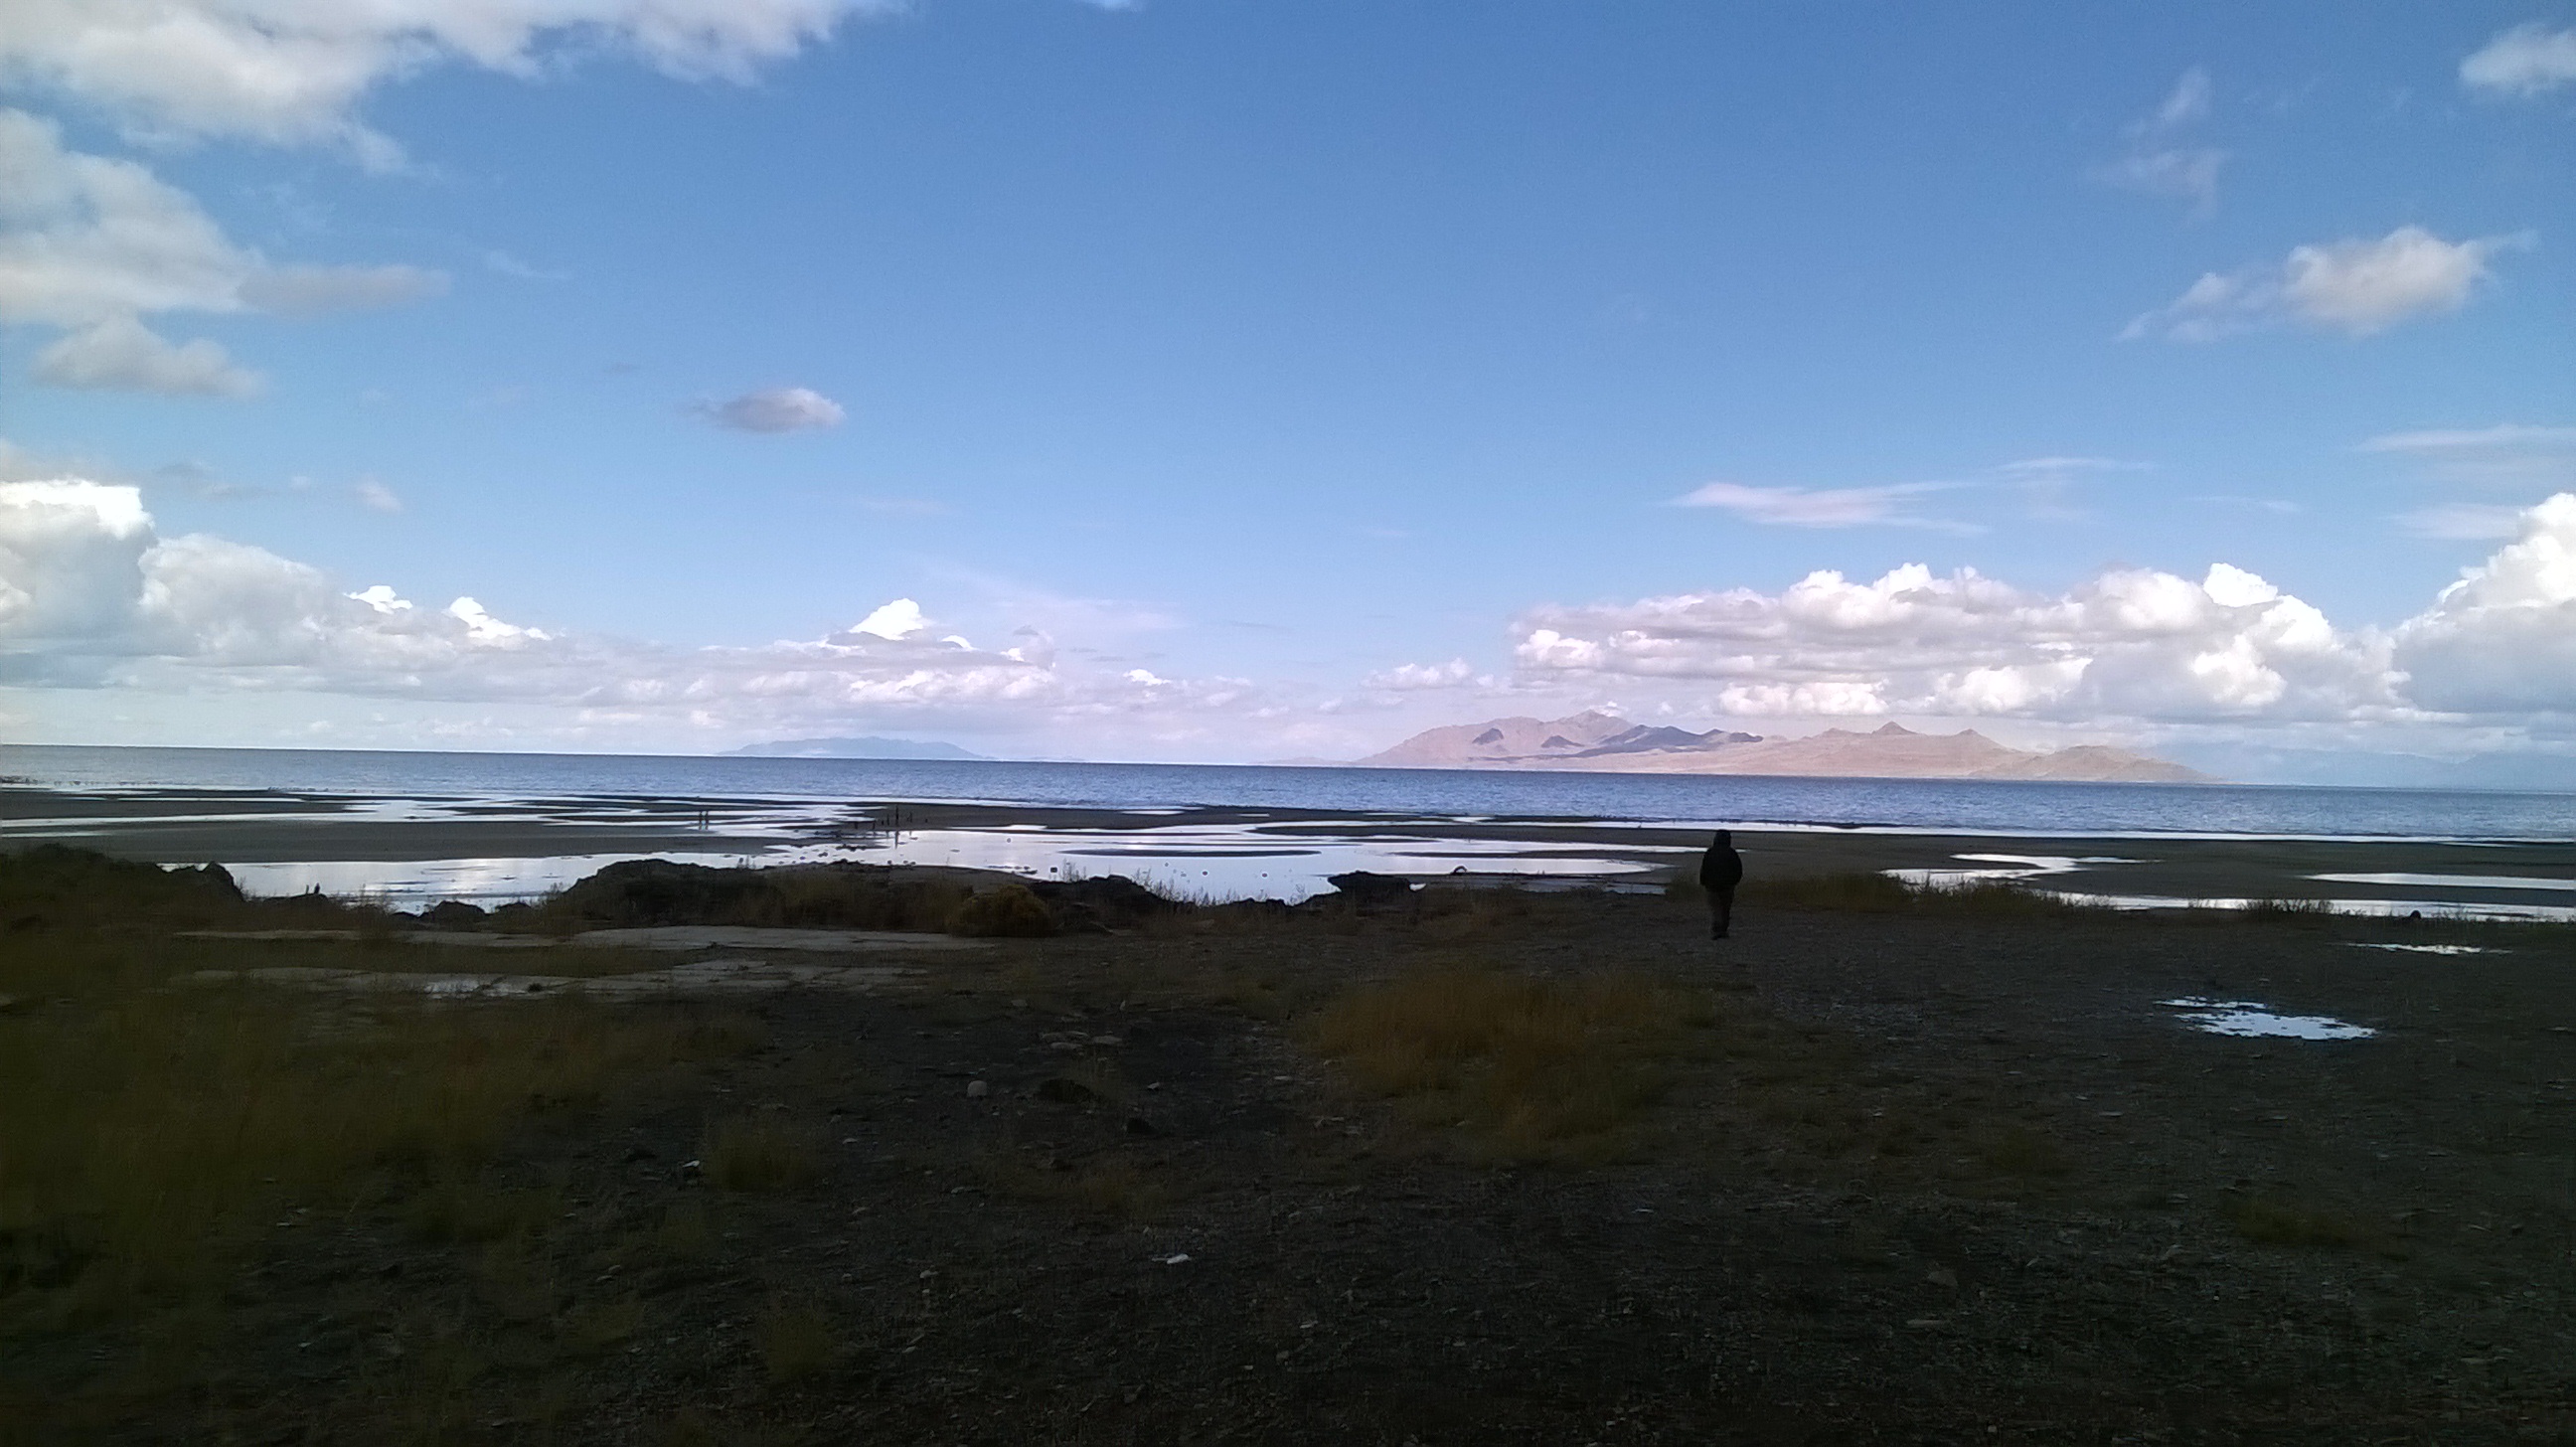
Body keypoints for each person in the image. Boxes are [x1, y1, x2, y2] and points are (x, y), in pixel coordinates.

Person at [1698, 829, 1744, 939]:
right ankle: (1723, 930)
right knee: (1725, 908)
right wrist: (1734, 881)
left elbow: (1704, 868)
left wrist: (1703, 881)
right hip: (1727, 885)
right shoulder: (1731, 853)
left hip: (1712, 885)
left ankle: (1717, 929)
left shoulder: (1710, 852)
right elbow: (1738, 869)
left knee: (1716, 908)